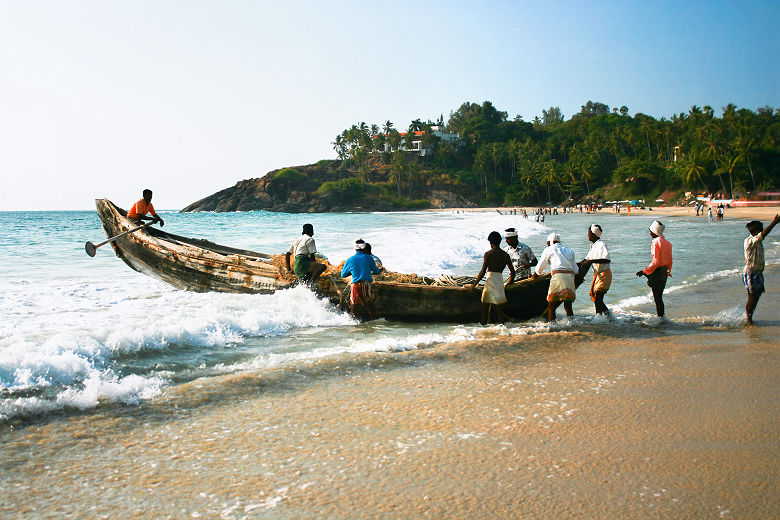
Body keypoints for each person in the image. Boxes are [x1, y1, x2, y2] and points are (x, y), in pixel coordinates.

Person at [469, 231, 515, 325]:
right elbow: (512, 272)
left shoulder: (488, 254)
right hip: (499, 280)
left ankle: (483, 326)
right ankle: (503, 328)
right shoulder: (505, 255)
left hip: (490, 280)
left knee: (485, 306)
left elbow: (482, 272)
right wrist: (509, 283)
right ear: (500, 241)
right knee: (498, 308)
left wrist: (473, 285)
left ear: (490, 242)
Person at [743, 215, 780, 324]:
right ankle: (748, 319)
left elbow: (762, 236)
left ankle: (750, 317)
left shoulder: (757, 241)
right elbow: (762, 235)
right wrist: (774, 223)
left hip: (758, 273)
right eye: (761, 229)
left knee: (757, 295)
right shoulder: (750, 240)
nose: (762, 231)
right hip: (750, 272)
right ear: (756, 231)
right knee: (752, 295)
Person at [532, 233, 577, 321]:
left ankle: (552, 325)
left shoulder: (549, 249)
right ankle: (572, 324)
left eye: (547, 243)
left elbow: (539, 269)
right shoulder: (569, 250)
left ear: (550, 242)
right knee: (568, 305)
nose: (547, 245)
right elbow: (575, 269)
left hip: (558, 277)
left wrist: (535, 275)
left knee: (551, 304)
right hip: (570, 277)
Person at [636, 220, 673, 317]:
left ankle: (661, 319)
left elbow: (655, 261)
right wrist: (668, 271)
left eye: (651, 231)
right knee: (659, 298)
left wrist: (645, 271)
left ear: (654, 232)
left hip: (657, 271)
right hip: (664, 271)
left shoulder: (656, 243)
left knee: (657, 298)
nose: (650, 233)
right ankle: (662, 317)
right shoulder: (667, 243)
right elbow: (670, 260)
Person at [340, 239, 381, 320]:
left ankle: (352, 323)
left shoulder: (350, 259)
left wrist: (352, 272)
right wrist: (380, 270)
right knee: (370, 305)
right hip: (366, 284)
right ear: (364, 247)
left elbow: (343, 274)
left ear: (355, 248)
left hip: (355, 284)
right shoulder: (369, 258)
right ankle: (373, 322)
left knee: (353, 306)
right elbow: (376, 272)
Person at [579, 224, 611, 315]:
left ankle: (604, 318)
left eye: (589, 233)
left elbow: (607, 260)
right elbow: (586, 260)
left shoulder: (601, 245)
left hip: (604, 275)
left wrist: (591, 262)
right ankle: (605, 317)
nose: (588, 235)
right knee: (597, 300)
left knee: (598, 299)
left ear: (593, 234)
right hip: (598, 275)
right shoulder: (593, 246)